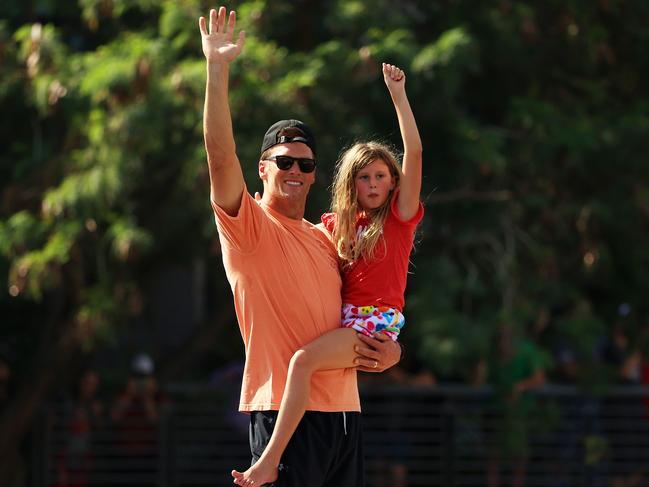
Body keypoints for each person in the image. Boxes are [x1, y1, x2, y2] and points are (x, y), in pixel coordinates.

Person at [199, 6, 402, 486]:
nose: (295, 171)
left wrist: (392, 351)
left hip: (345, 413)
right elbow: (218, 153)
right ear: (263, 168)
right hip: (284, 416)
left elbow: (369, 304)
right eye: (285, 161)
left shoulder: (327, 236)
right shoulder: (247, 224)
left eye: (306, 165)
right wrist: (217, 68)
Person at [231, 58, 423, 486]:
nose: (373, 184)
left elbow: (415, 153)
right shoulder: (332, 230)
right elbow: (286, 231)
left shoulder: (398, 219)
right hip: (329, 363)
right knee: (302, 365)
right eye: (363, 177)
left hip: (368, 334)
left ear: (393, 181)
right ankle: (271, 459)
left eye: (381, 176)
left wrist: (398, 96)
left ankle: (269, 459)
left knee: (303, 362)